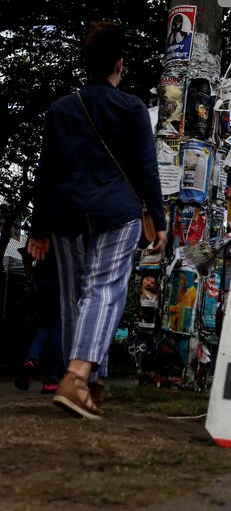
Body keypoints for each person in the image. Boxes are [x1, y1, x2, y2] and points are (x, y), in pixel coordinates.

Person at [27, 21, 167, 419]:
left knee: (76, 299)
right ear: (119, 64)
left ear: (86, 64)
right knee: (103, 290)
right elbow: (146, 169)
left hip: (67, 214)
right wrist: (157, 219)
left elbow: (46, 171)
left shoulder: (61, 108)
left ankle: (91, 381)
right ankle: (76, 377)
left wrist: (38, 229)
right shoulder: (132, 108)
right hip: (117, 213)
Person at [14, 241, 63, 394]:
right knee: (57, 328)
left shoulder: (43, 224)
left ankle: (31, 360)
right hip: (62, 282)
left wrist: (30, 282)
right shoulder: (69, 223)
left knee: (43, 326)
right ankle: (51, 380)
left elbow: (26, 255)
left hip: (41, 282)